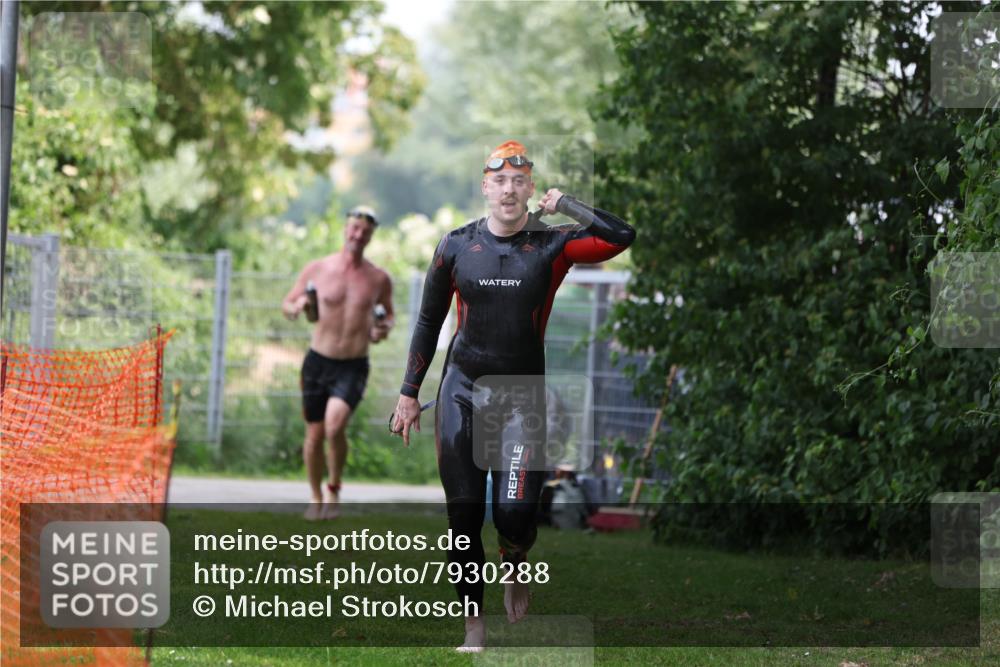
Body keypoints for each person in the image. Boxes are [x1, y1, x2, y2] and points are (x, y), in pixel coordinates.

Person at [390, 140, 635, 651]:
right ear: (485, 186)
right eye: (499, 180)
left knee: (515, 514)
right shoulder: (456, 246)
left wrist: (567, 205)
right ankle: (473, 625)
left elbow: (621, 236)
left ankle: (515, 560)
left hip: (524, 398)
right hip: (462, 392)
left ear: (530, 189)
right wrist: (409, 393)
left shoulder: (552, 246)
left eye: (518, 181)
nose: (508, 189)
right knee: (463, 516)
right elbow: (429, 320)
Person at [282, 206, 394, 521]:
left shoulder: (378, 278)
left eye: (365, 232)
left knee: (334, 425)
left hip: (353, 364)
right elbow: (288, 303)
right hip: (317, 362)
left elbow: (389, 315)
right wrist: (297, 306)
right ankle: (315, 497)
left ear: (371, 237)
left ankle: (333, 488)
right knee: (314, 434)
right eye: (355, 229)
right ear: (346, 230)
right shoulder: (318, 269)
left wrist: (382, 329)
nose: (358, 235)